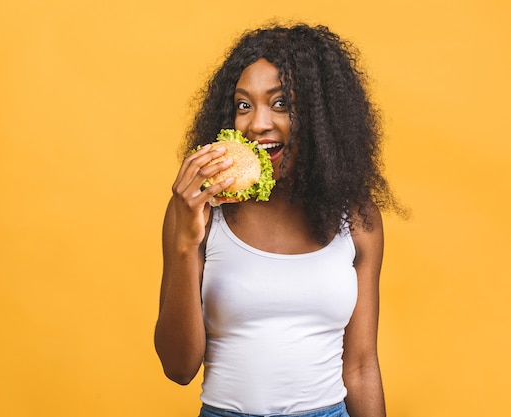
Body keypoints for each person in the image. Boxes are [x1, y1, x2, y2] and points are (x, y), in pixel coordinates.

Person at [155, 23, 403, 417]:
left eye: (281, 103)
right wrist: (186, 242)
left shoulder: (356, 218)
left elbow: (359, 367)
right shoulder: (199, 210)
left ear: (321, 117)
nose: (257, 124)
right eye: (243, 105)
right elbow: (178, 368)